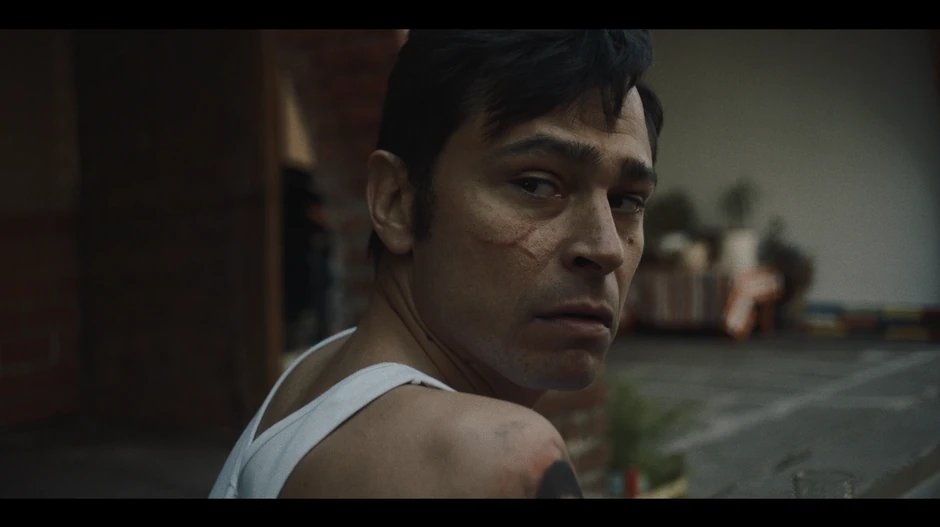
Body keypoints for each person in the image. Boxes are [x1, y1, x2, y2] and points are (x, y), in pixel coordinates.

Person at [210, 29, 664, 499]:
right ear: (396, 201)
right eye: (535, 184)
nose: (606, 248)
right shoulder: (499, 462)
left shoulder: (318, 374)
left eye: (626, 201)